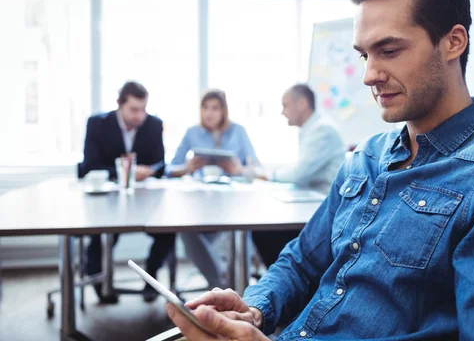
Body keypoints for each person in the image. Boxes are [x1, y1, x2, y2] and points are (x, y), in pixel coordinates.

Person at [165, 0, 474, 340]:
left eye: (389, 50)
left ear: (453, 42)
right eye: (365, 55)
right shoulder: (366, 158)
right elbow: (300, 262)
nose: (369, 75)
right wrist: (253, 309)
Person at [79, 81, 174, 303]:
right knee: (99, 236)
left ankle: (151, 279)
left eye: (143, 109)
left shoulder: (154, 124)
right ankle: (98, 282)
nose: (139, 116)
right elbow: (90, 165)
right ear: (120, 105)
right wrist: (125, 170)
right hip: (107, 200)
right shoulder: (97, 124)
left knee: (168, 231)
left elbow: (161, 164)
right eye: (134, 109)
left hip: (145, 200)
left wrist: (149, 171)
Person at [167, 89, 259, 288]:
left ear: (224, 110)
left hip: (233, 203)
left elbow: (256, 169)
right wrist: (188, 167)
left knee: (240, 230)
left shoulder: (238, 132)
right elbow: (170, 169)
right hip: (201, 203)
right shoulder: (192, 133)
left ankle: (230, 282)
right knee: (185, 229)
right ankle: (220, 280)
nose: (209, 113)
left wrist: (238, 169)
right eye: (205, 108)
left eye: (215, 108)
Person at [252, 84, 346, 268]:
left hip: (323, 205)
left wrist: (269, 176)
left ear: (302, 104)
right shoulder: (312, 129)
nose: (282, 112)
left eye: (285, 105)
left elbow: (299, 174)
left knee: (263, 230)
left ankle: (293, 281)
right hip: (313, 201)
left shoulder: (322, 130)